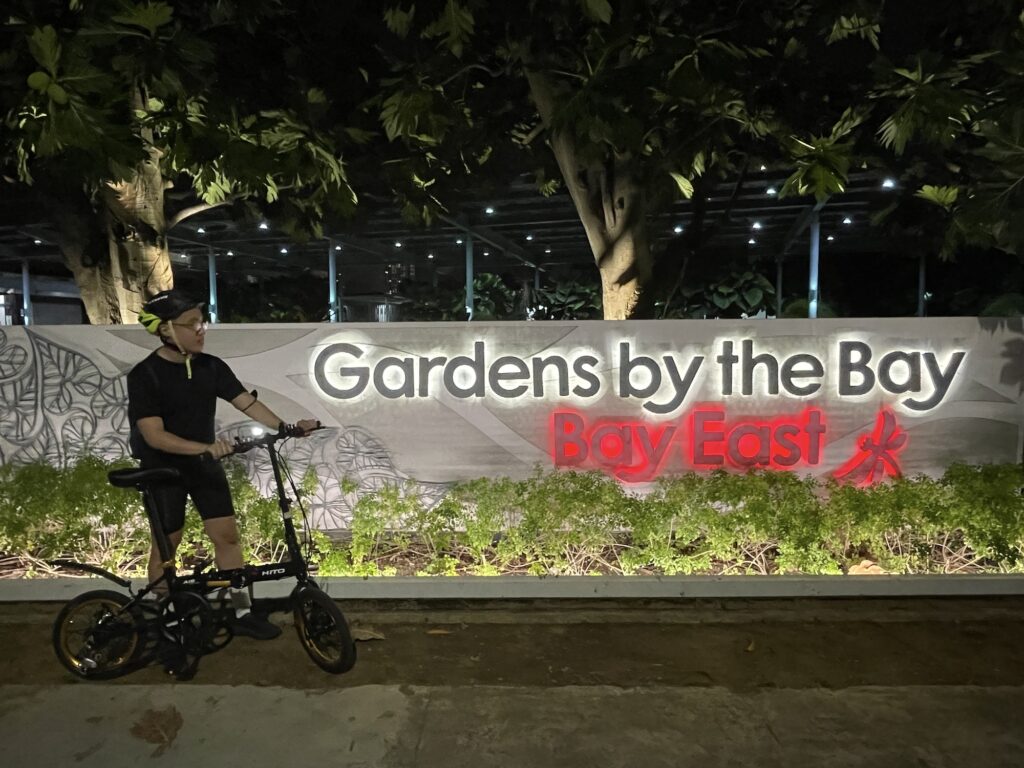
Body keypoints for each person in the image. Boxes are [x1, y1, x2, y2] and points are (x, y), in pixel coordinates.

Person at [127, 289, 317, 640]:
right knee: (167, 546)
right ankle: (166, 619)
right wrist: (204, 448)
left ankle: (241, 611)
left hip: (204, 464)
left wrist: (286, 427)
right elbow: (153, 435)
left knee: (227, 537)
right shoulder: (145, 375)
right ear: (167, 330)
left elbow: (246, 402)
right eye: (192, 324)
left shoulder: (211, 366)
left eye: (202, 323)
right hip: (163, 470)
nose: (201, 330)